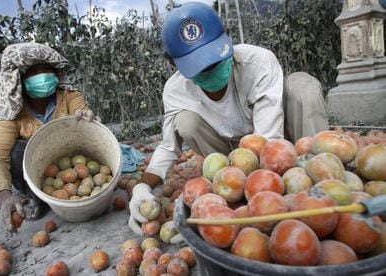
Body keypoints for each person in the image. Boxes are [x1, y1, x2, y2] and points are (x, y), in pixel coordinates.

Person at [128, 2, 329, 235]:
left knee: (303, 87)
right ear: (173, 63)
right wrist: (142, 187)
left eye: (215, 59)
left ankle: (319, 174)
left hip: (280, 140)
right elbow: (167, 147)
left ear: (228, 37)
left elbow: (269, 140)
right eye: (200, 68)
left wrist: (266, 191)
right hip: (228, 154)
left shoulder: (258, 62)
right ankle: (233, 189)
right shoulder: (175, 90)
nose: (211, 69)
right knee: (185, 122)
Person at [0, 42, 91, 232]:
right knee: (16, 151)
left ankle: (69, 193)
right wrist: (4, 197)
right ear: (19, 78)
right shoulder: (12, 113)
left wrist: (87, 119)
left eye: (47, 69)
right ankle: (35, 196)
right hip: (36, 172)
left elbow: (86, 119)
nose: (42, 75)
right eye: (33, 71)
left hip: (71, 163)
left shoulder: (69, 97)